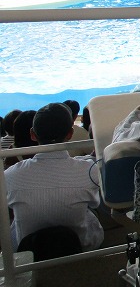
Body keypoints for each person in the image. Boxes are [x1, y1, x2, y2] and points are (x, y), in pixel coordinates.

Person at [5, 103, 103, 251]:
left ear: (32, 134)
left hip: (28, 251)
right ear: (70, 134)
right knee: (91, 210)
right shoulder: (88, 171)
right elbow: (95, 204)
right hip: (80, 246)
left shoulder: (10, 175)